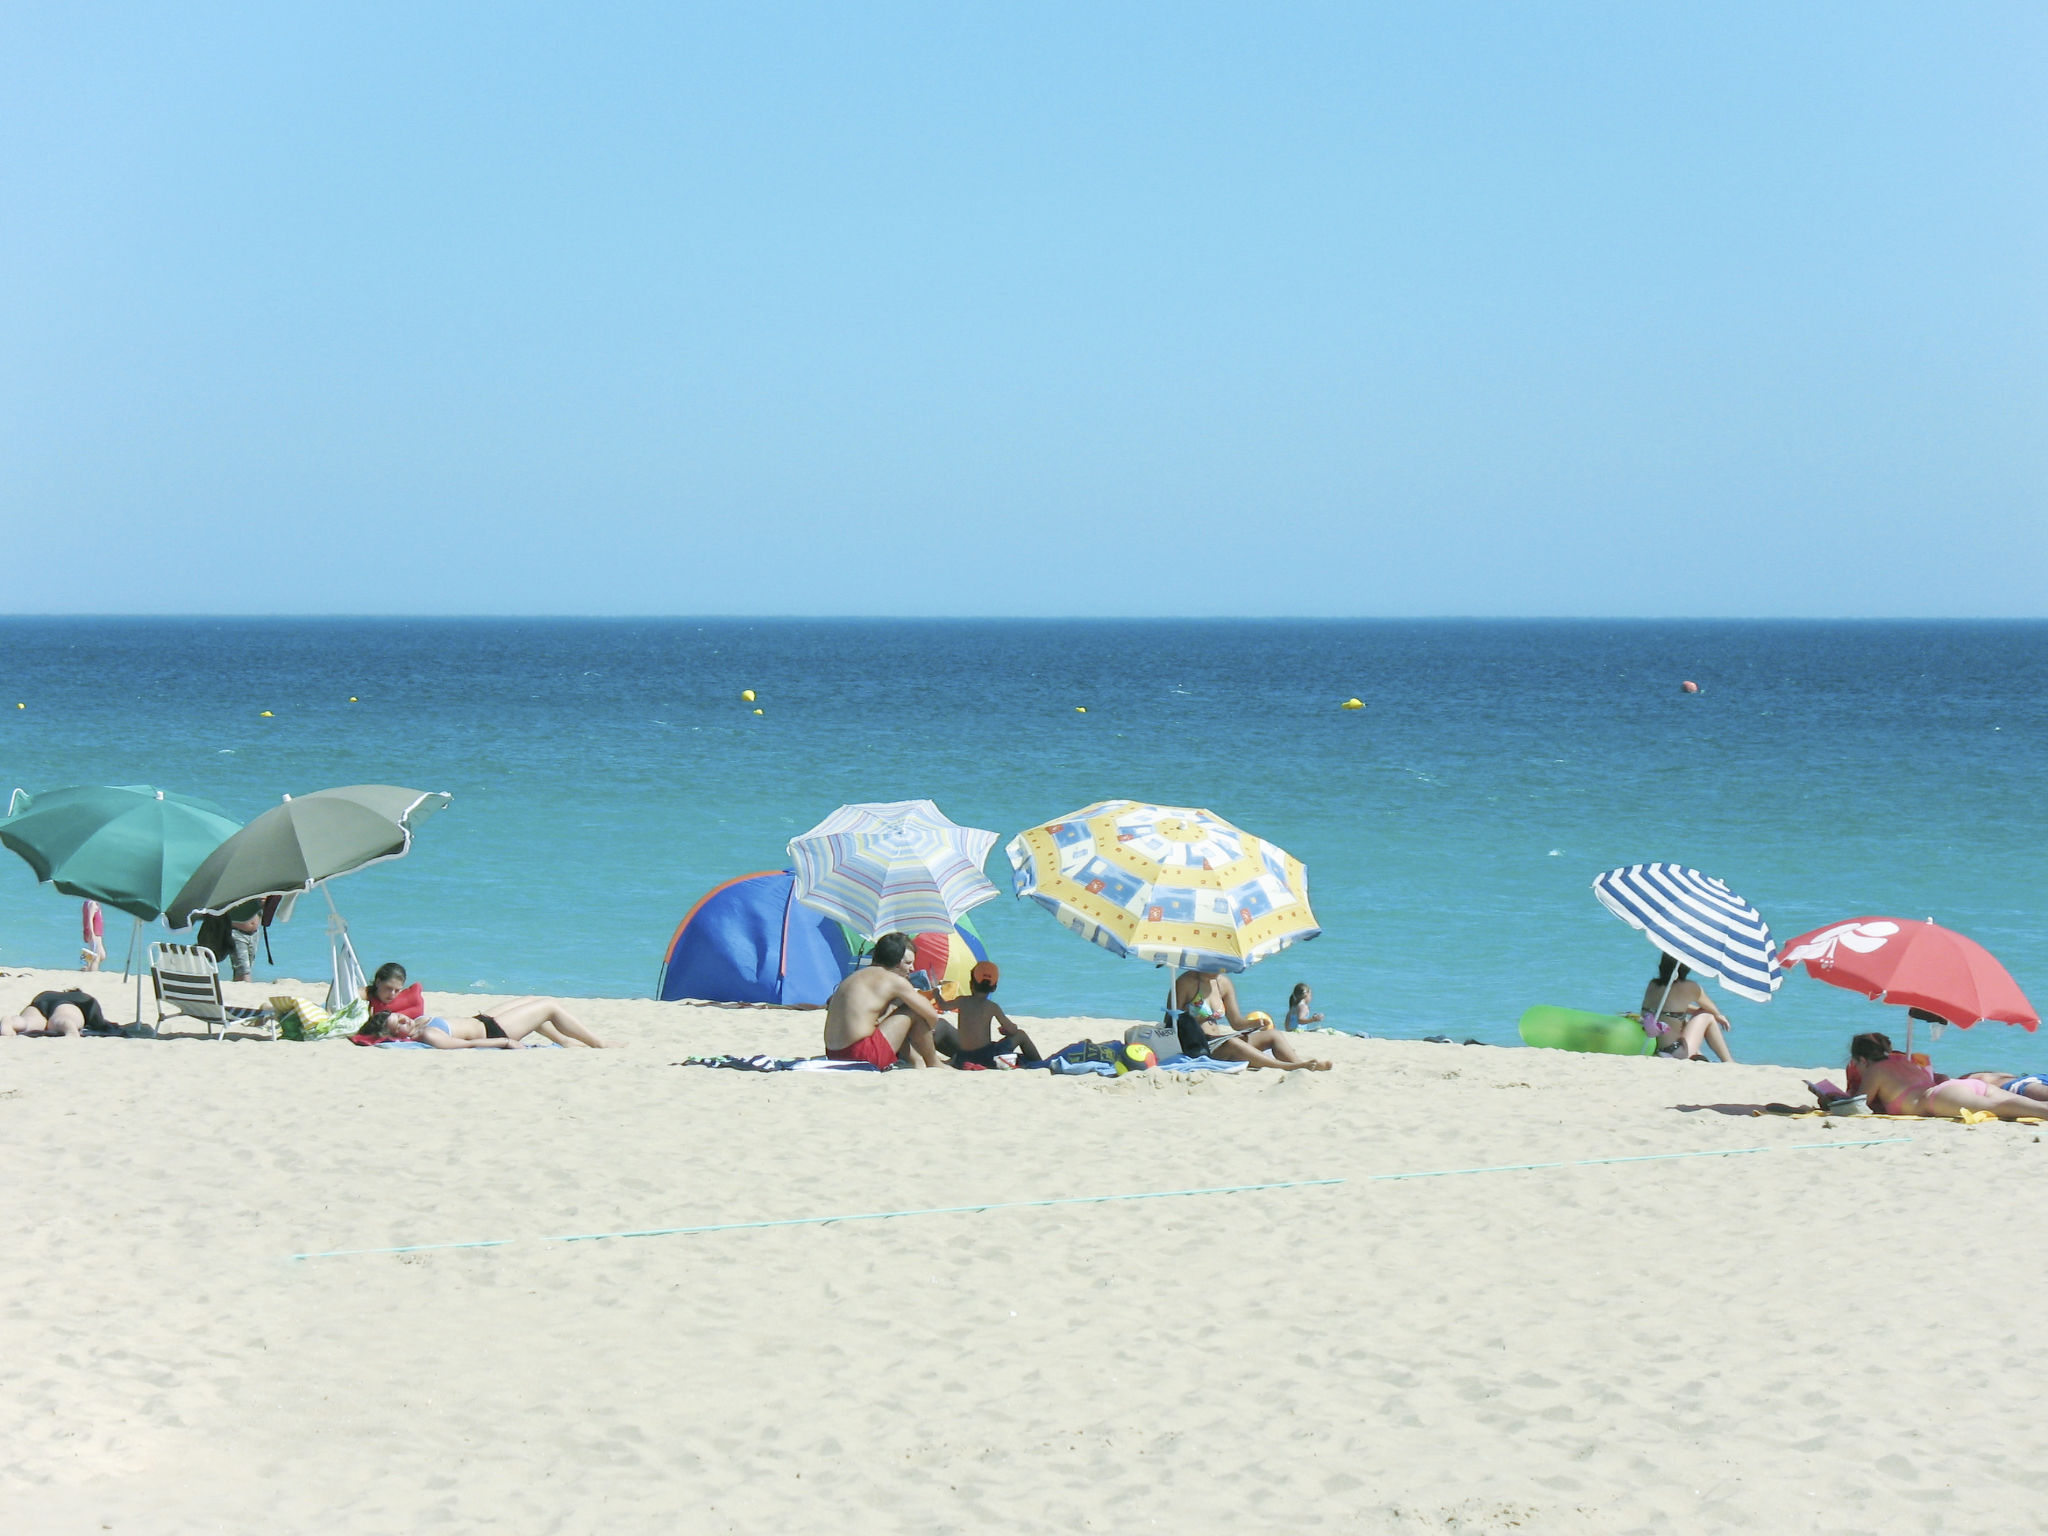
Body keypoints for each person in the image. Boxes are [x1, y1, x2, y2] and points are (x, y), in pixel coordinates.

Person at [1846, 1033, 2045, 1120]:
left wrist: (1831, 1101)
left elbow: (1858, 1106)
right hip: (1958, 1087)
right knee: (2021, 1102)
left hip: (1937, 1099)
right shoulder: (1905, 1062)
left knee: (2001, 1108)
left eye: (1856, 1063)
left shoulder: (1875, 1070)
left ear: (1862, 1060)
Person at [822, 931, 942, 1070]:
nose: (912, 969)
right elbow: (931, 1014)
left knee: (894, 1015)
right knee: (912, 1011)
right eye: (908, 963)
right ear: (896, 961)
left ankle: (915, 1061)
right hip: (861, 1055)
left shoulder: (854, 977)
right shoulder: (894, 981)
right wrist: (928, 1030)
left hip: (834, 1054)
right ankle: (934, 1063)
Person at [1172, 968, 1331, 1071]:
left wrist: (1255, 1024)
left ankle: (1300, 1064)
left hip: (1221, 1039)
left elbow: (1236, 1022)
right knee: (1233, 1043)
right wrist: (1191, 1017)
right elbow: (1171, 1022)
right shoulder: (1186, 982)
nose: (1219, 967)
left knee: (1273, 1035)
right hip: (1200, 1044)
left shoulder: (1223, 984)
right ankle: (1288, 1067)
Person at [356, 997, 611, 1049]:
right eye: (397, 1022)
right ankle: (599, 1044)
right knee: (549, 1007)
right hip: (494, 1031)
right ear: (398, 1035)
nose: (403, 1018)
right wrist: (506, 1041)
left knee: (533, 1000)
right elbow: (465, 1045)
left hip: (483, 1019)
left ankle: (566, 1041)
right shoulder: (429, 1035)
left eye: (398, 1015)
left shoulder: (419, 1023)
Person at [938, 961, 1041, 1068]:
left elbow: (943, 1006)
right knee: (1021, 1034)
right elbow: (1013, 1030)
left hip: (963, 1056)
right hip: (986, 1057)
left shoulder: (961, 1001)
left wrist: (937, 993)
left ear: (970, 984)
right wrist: (1008, 1030)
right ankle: (1039, 1063)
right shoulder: (992, 1007)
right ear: (994, 987)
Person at [1641, 954, 1733, 1062]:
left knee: (1680, 1017)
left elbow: (1668, 1009)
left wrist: (1696, 1011)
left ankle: (1700, 1056)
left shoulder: (1652, 985)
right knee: (1707, 1016)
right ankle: (1729, 1061)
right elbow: (1710, 1009)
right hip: (1675, 1052)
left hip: (1653, 1050)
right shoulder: (1690, 987)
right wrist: (1718, 1015)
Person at [2, 989, 113, 1038]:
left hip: (41, 1002)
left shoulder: (48, 993)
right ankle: (70, 1030)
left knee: (28, 1022)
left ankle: (12, 1021)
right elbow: (98, 1022)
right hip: (68, 1005)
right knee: (63, 1019)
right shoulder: (84, 997)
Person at [80, 900, 105, 972]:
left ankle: (85, 965)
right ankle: (92, 974)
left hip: (97, 932)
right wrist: (91, 933)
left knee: (102, 955)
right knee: (96, 957)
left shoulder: (88, 903)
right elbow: (89, 919)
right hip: (95, 932)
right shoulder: (93, 904)